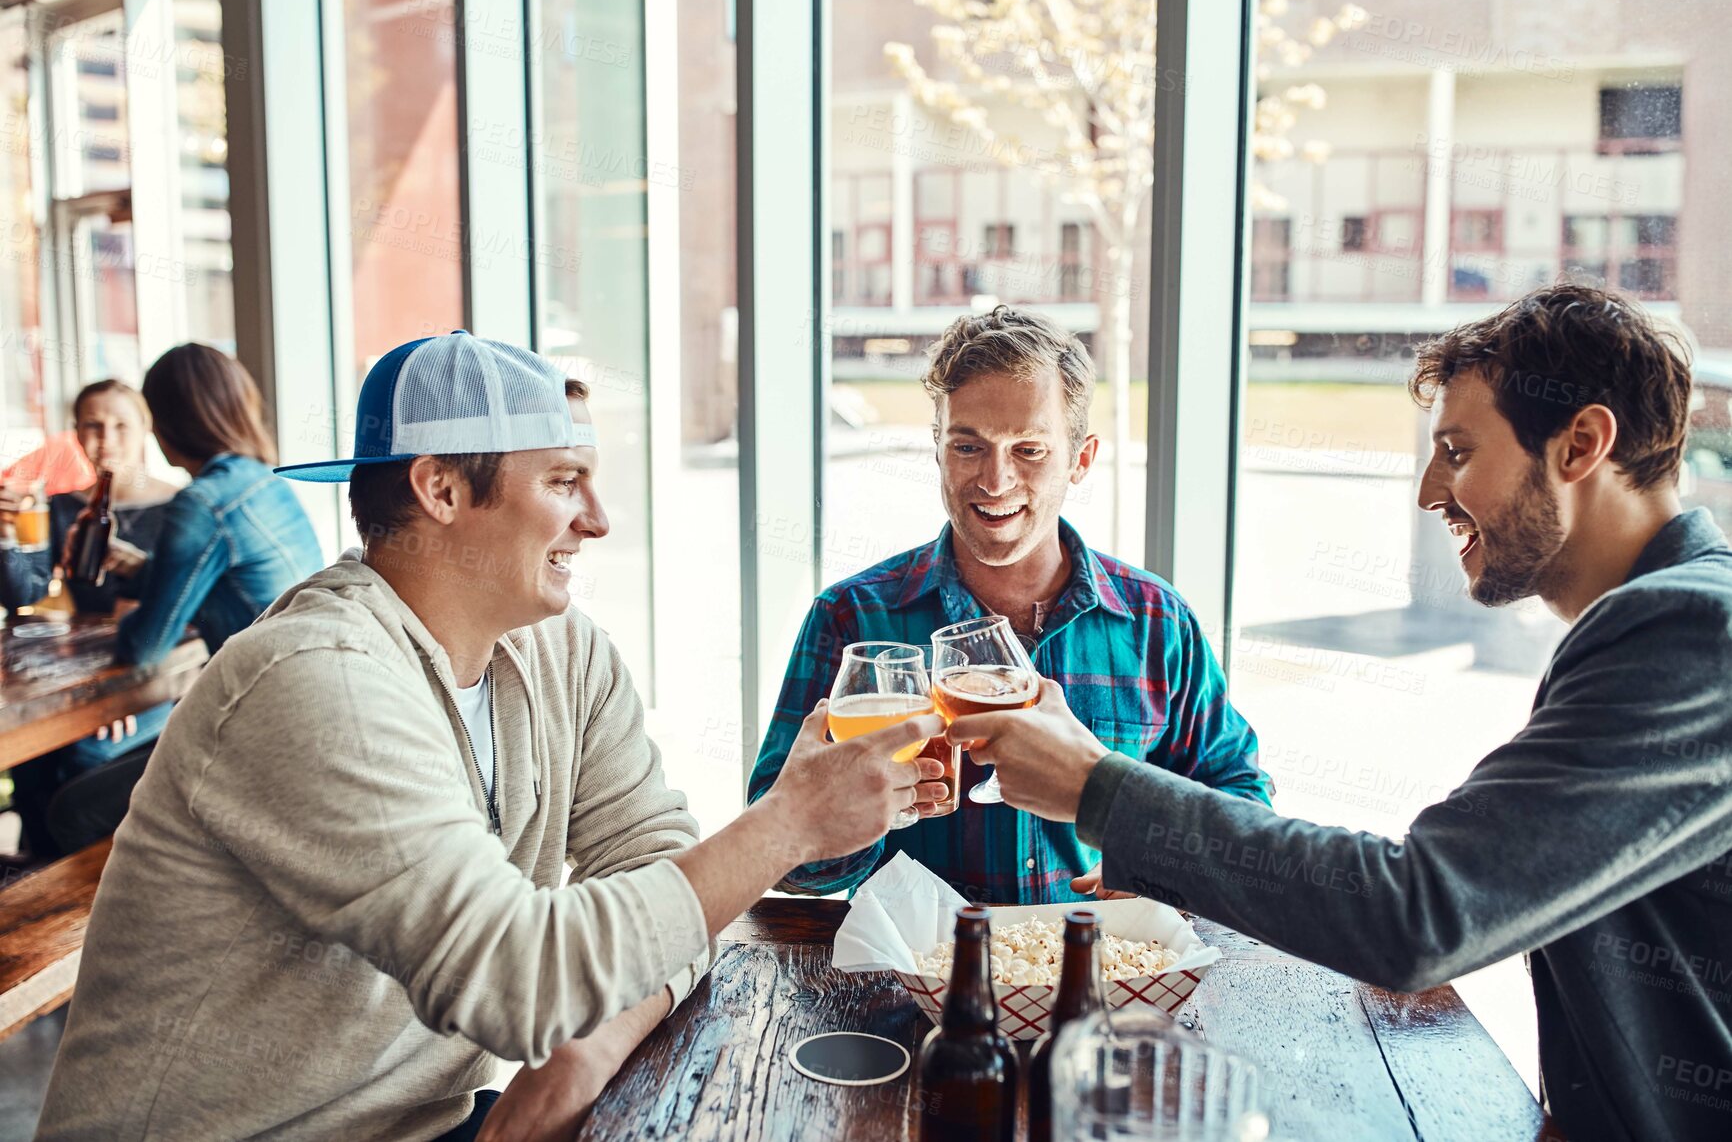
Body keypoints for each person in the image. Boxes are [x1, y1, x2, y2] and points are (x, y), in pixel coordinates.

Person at [34, 331, 946, 1141]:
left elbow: (662, 864)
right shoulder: (318, 680)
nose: (598, 517)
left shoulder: (560, 647)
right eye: (561, 480)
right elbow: (527, 983)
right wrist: (789, 824)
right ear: (439, 489)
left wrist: (587, 1050)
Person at [950, 284, 1732, 1142]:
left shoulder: (1691, 630)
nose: (1432, 488)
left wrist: (1096, 788)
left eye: (1459, 450)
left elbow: (1419, 912)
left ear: (1581, 443)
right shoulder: (1660, 622)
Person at [747, 305, 1270, 907]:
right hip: (913, 984)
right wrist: (856, 815)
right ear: (937, 451)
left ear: (1080, 459)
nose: (995, 482)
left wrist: (1168, 867)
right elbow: (778, 854)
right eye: (968, 447)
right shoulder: (851, 617)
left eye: (1029, 449)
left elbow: (1240, 796)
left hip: (1098, 974)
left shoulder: (1158, 621)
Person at [0, 380, 180, 863]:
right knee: (33, 762)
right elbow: (26, 595)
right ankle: (39, 883)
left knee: (83, 759)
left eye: (122, 425)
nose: (108, 438)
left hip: (157, 675)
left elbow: (184, 621)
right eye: (93, 425)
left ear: (147, 430)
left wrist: (124, 690)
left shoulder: (179, 507)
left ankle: (89, 881)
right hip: (79, 674)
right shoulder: (63, 507)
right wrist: (6, 539)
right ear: (76, 433)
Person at [108, 342, 324, 666]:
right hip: (312, 675)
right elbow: (229, 584)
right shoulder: (262, 477)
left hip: (270, 697)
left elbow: (144, 647)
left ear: (169, 420)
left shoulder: (201, 504)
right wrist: (138, 567)